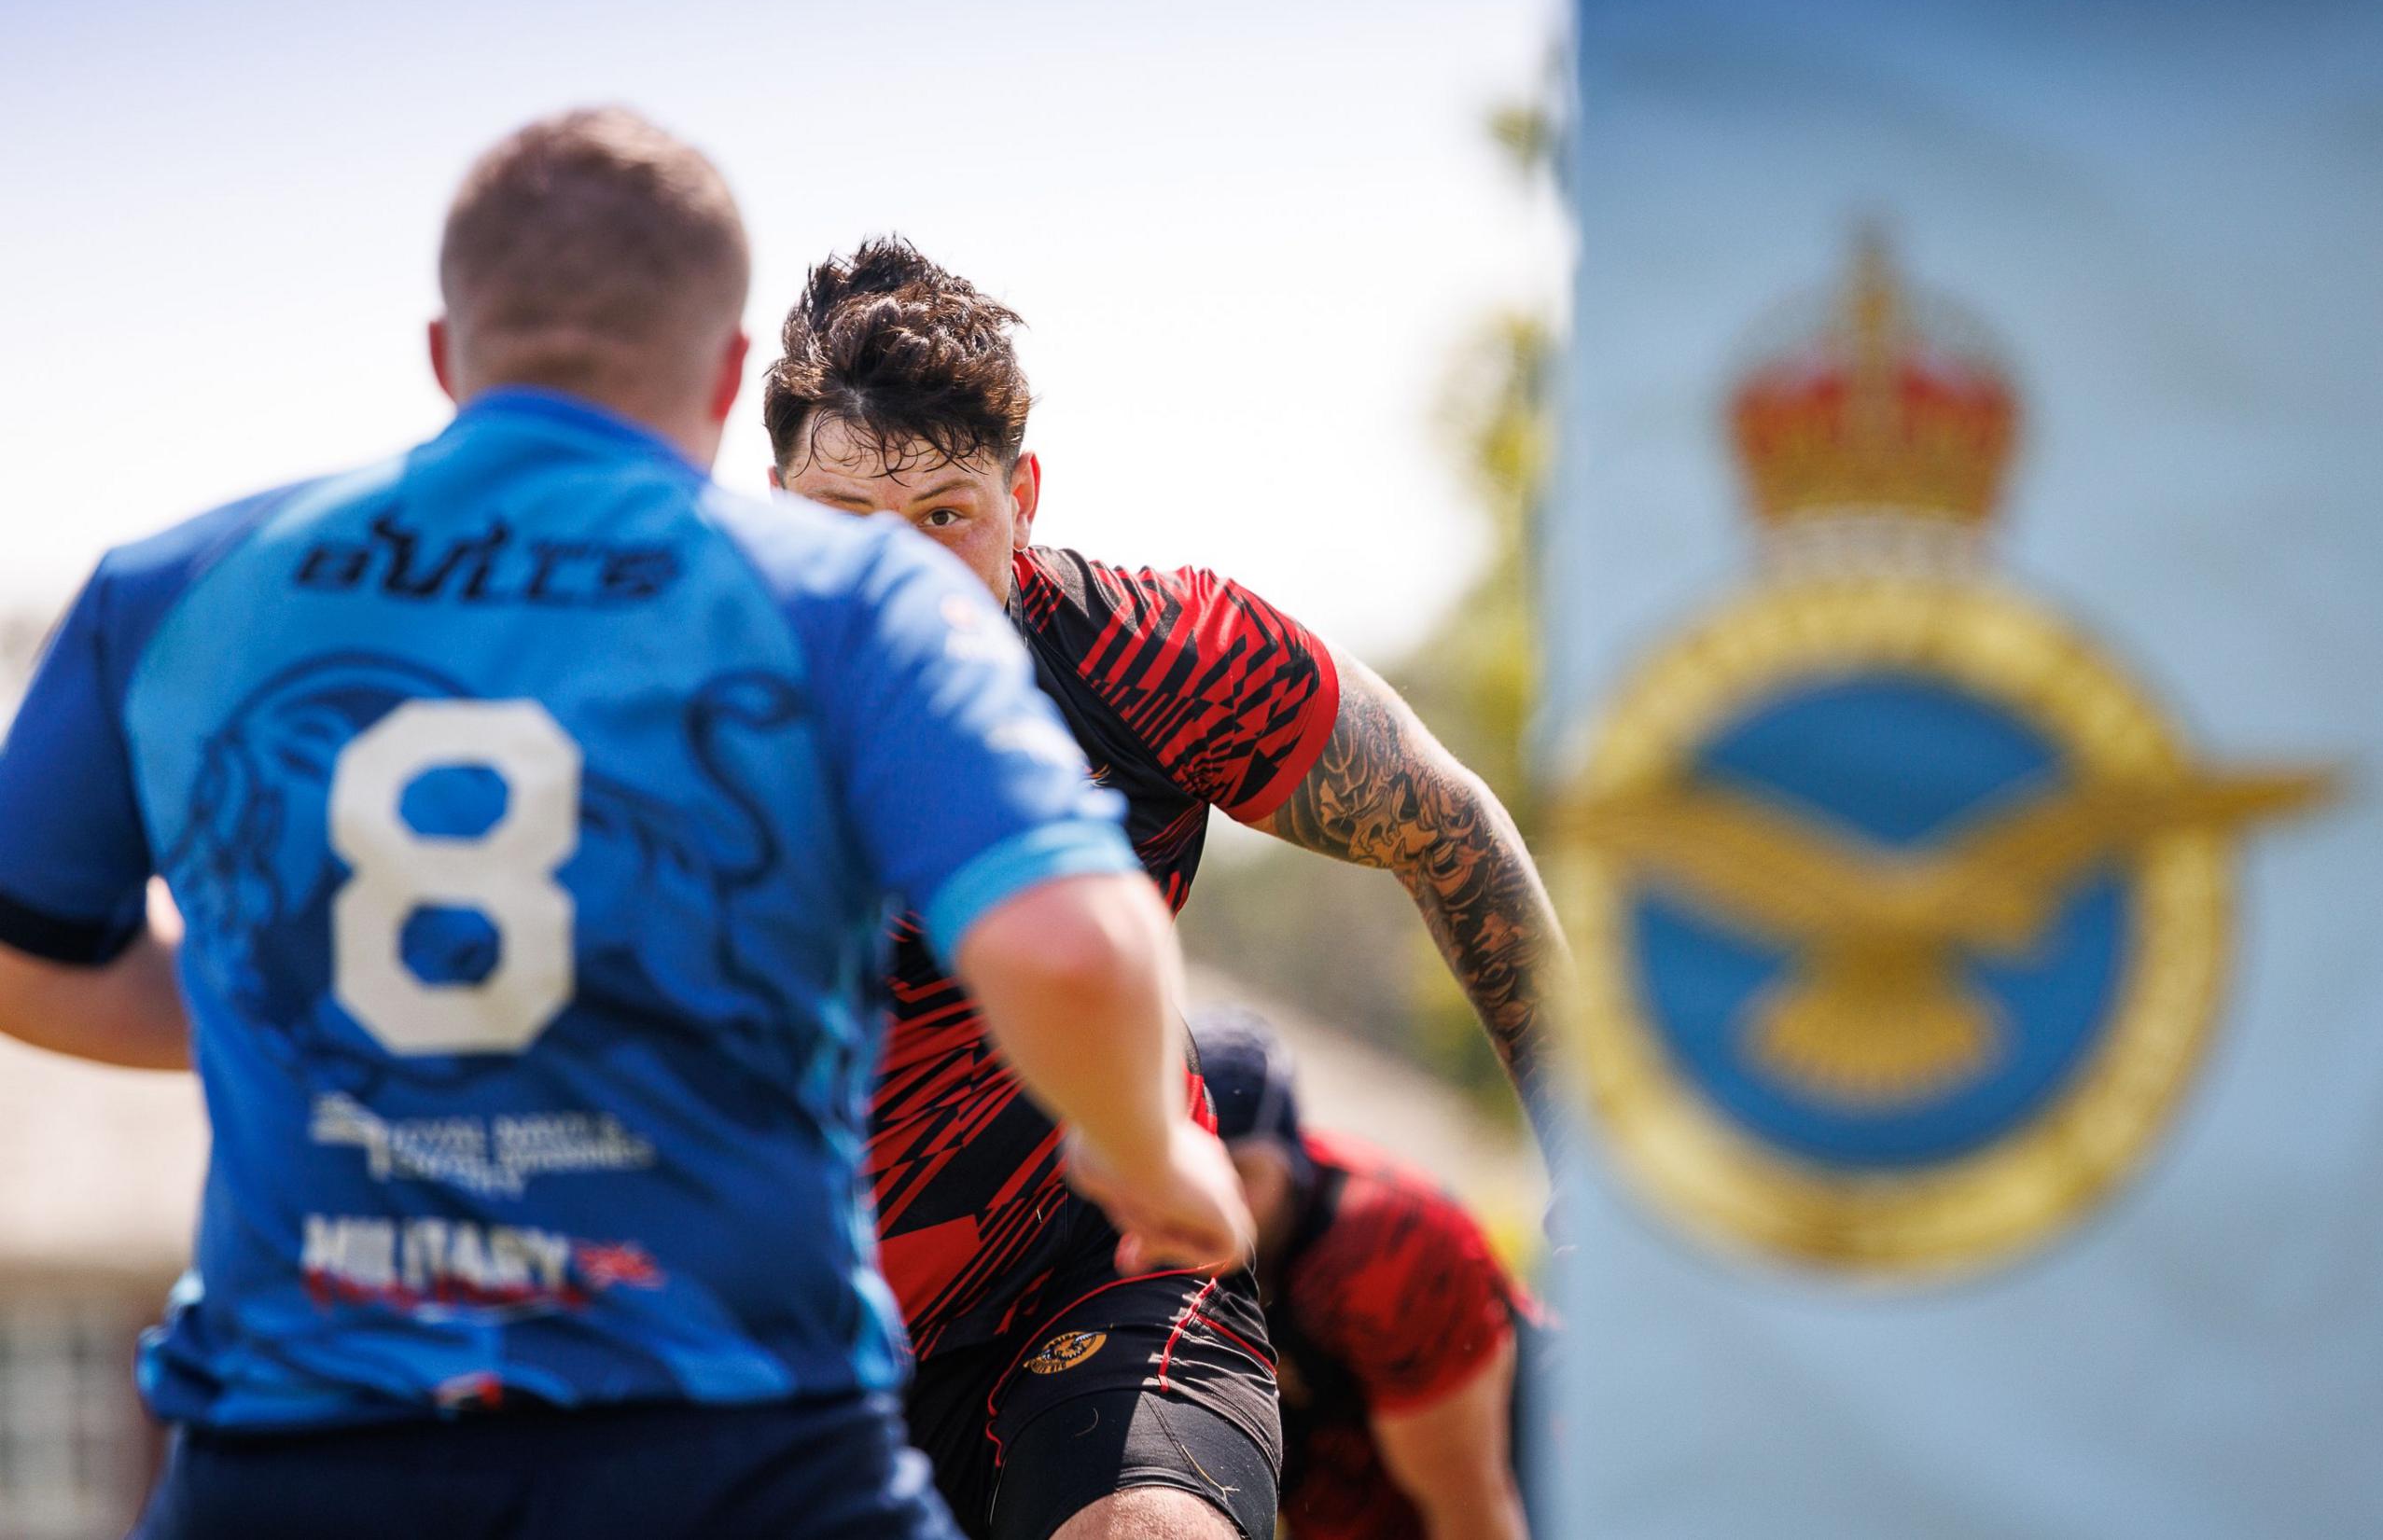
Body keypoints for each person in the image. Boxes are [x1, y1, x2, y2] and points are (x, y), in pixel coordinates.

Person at [0, 109, 1248, 1540]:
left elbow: (25, 959)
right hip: (736, 1451)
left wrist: (293, 992)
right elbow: (1074, 951)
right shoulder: (849, 598)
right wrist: (1151, 1150)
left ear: (443, 352)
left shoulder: (176, 588)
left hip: (296, 1456)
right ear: (728, 378)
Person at [762, 238, 1571, 1540]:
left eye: (946, 516)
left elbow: (1451, 829)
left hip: (1098, 1279)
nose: (900, 579)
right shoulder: (671, 706)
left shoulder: (1159, 661)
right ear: (772, 508)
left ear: (1024, 497)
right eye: (846, 521)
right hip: (782, 1323)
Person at [1195, 1012, 1543, 1540]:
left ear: (1290, 1163)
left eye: (1240, 1171)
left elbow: (1474, 1512)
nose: (1215, 1197)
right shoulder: (1149, 1227)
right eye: (1198, 1169)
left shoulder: (1387, 1250)